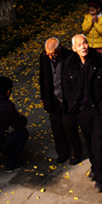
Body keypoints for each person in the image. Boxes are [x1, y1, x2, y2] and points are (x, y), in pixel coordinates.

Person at [63, 33, 102, 193]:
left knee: (99, 143)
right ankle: (95, 167)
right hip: (82, 111)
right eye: (79, 45)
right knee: (89, 141)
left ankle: (101, 179)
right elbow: (66, 86)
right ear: (73, 49)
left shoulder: (101, 61)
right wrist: (74, 103)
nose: (83, 47)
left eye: (85, 43)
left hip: (100, 110)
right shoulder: (70, 64)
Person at [39, 37, 82, 165]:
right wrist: (43, 97)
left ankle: (75, 153)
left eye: (53, 54)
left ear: (59, 49)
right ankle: (62, 153)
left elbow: (77, 80)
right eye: (48, 54)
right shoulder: (44, 57)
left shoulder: (70, 57)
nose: (51, 57)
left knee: (70, 127)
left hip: (67, 98)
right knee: (56, 128)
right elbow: (43, 77)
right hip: (52, 98)